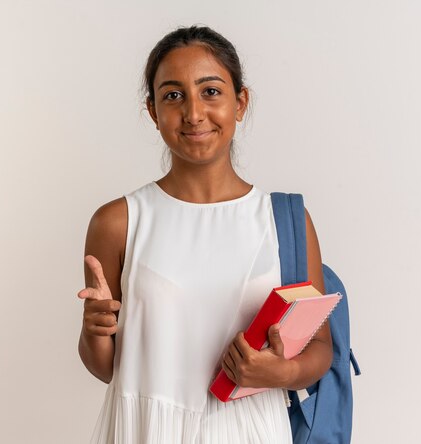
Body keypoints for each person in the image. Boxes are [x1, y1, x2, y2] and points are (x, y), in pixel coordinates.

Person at [77, 25, 333, 444]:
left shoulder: (283, 219)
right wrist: (94, 331)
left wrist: (281, 372)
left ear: (240, 102)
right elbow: (106, 367)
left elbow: (321, 346)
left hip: (251, 429)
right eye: (173, 95)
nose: (194, 113)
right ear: (153, 111)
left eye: (210, 91)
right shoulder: (117, 222)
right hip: (146, 431)